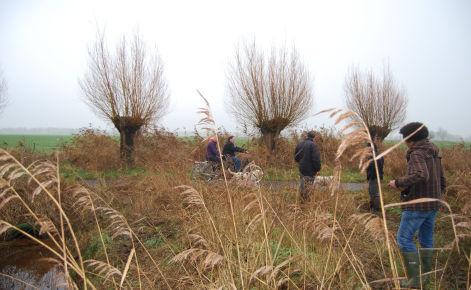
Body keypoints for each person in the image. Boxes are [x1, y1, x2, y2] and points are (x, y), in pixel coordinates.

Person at [388, 122, 446, 288]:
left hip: (417, 204)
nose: (404, 141)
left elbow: (420, 174)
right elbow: (442, 178)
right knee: (426, 239)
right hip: (433, 203)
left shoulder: (417, 153)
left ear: (410, 139)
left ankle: (415, 280)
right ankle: (426, 276)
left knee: (404, 239)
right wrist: (439, 196)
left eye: (405, 138)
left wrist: (397, 182)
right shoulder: (434, 151)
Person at [295, 131, 321, 203]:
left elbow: (296, 158)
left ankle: (302, 202)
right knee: (309, 186)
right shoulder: (313, 145)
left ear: (307, 136)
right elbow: (316, 159)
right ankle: (306, 203)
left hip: (301, 168)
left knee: (302, 185)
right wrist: (318, 168)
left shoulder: (300, 144)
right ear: (314, 137)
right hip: (310, 170)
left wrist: (301, 162)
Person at [366, 137, 384, 213]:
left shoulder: (374, 156)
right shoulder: (378, 155)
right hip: (377, 177)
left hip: (374, 178)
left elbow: (374, 168)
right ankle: (373, 208)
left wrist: (370, 177)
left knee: (374, 193)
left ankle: (375, 210)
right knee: (374, 193)